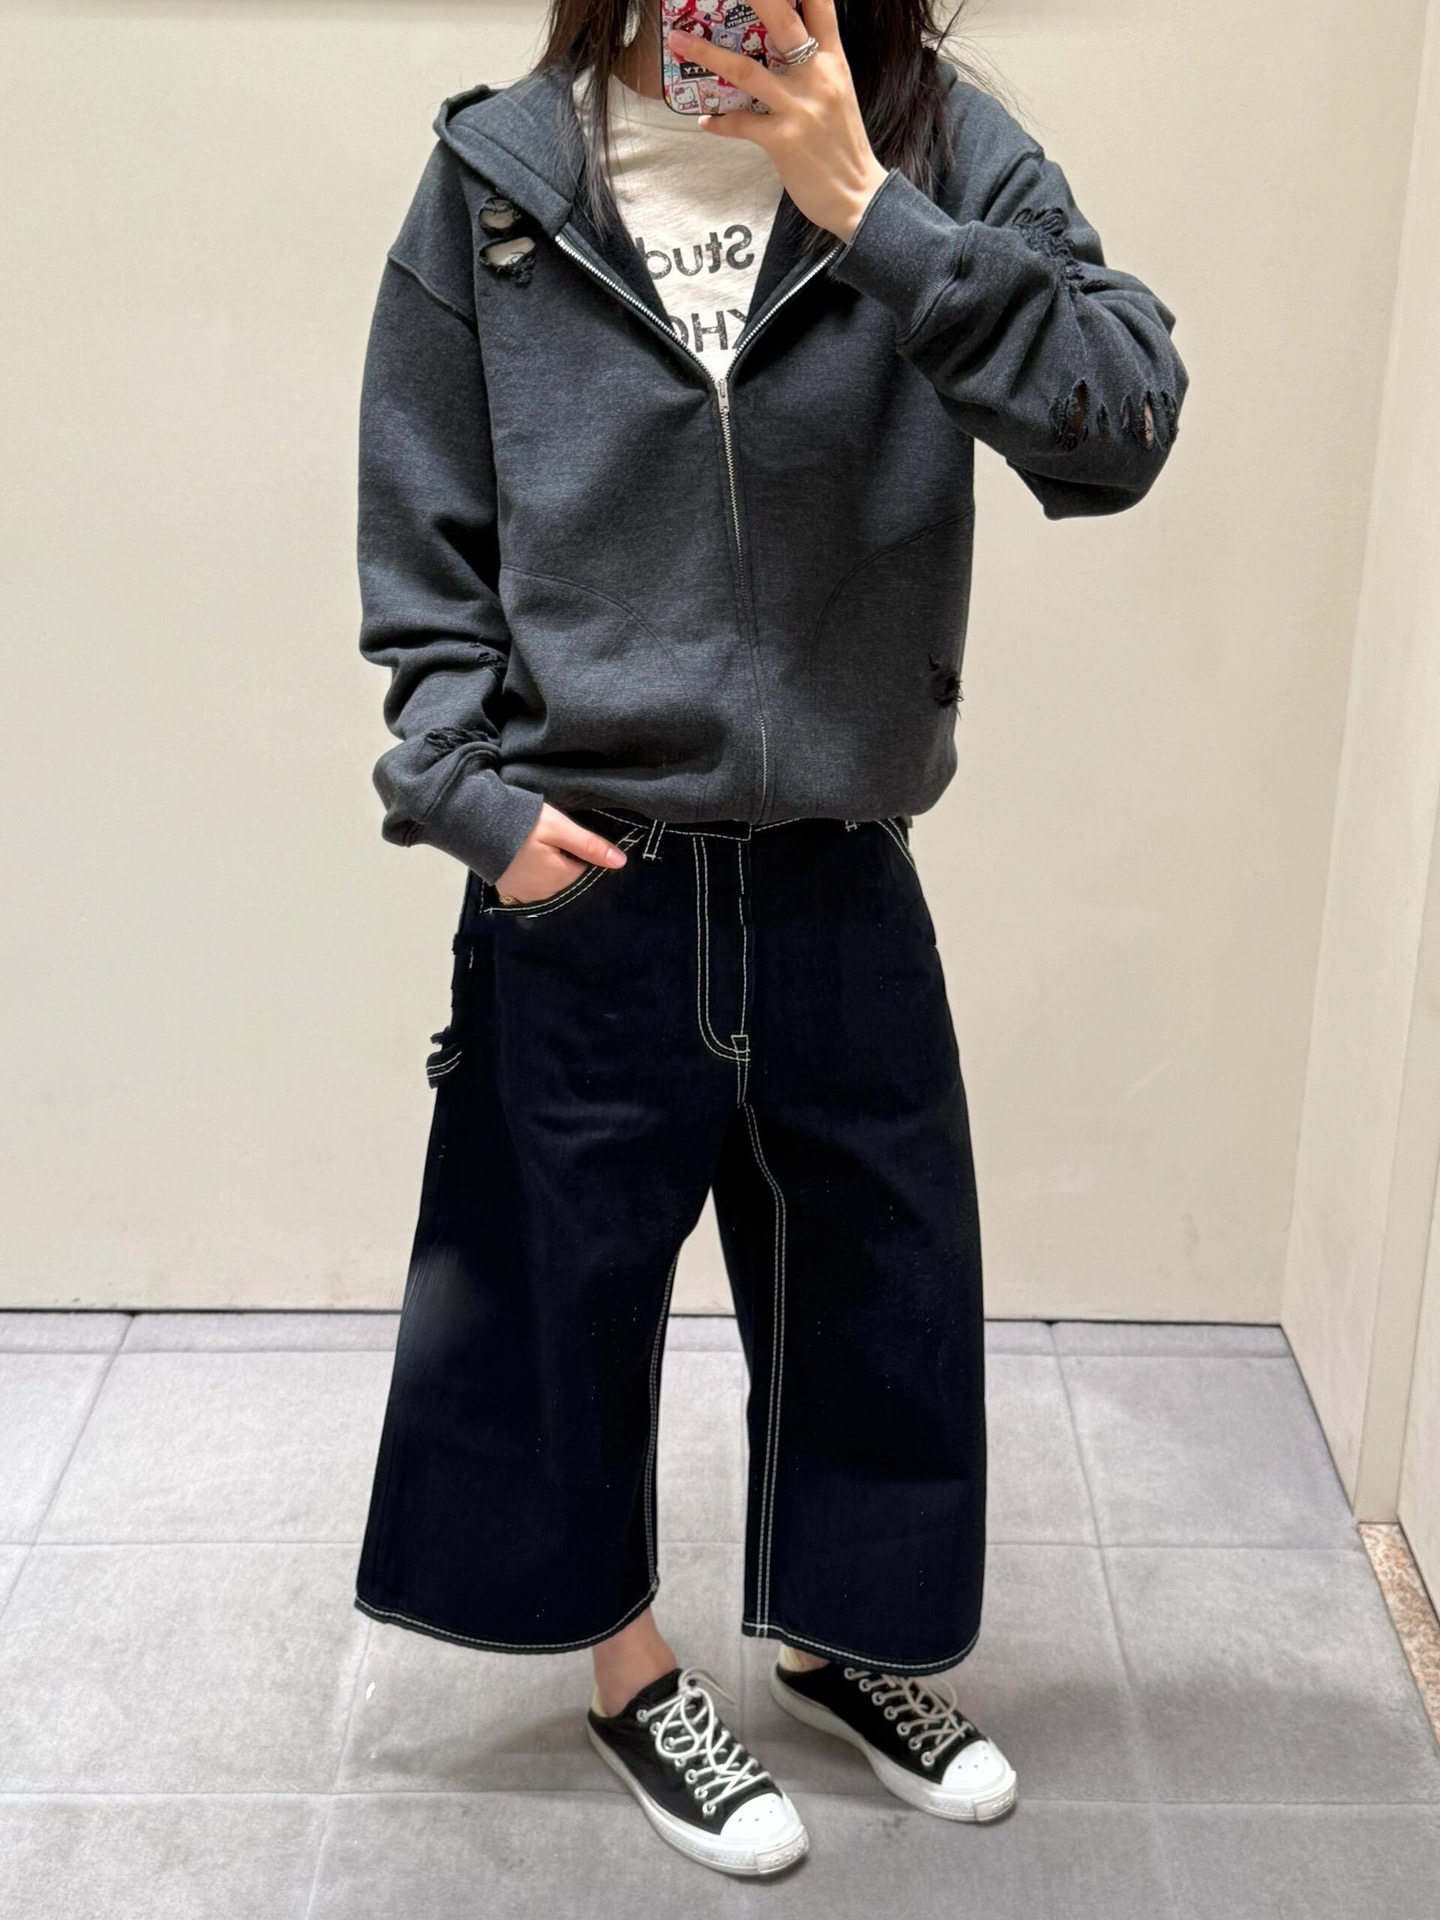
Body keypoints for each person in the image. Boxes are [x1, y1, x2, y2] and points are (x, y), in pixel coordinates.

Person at [351, 0, 1187, 1878]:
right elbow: (425, 511)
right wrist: (472, 803)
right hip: (593, 866)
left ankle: (838, 1639)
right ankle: (629, 1671)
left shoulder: (933, 145)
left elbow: (1121, 423)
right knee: (564, 1300)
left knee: (882, 1288)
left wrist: (869, 208)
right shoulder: (503, 174)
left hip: (835, 860)